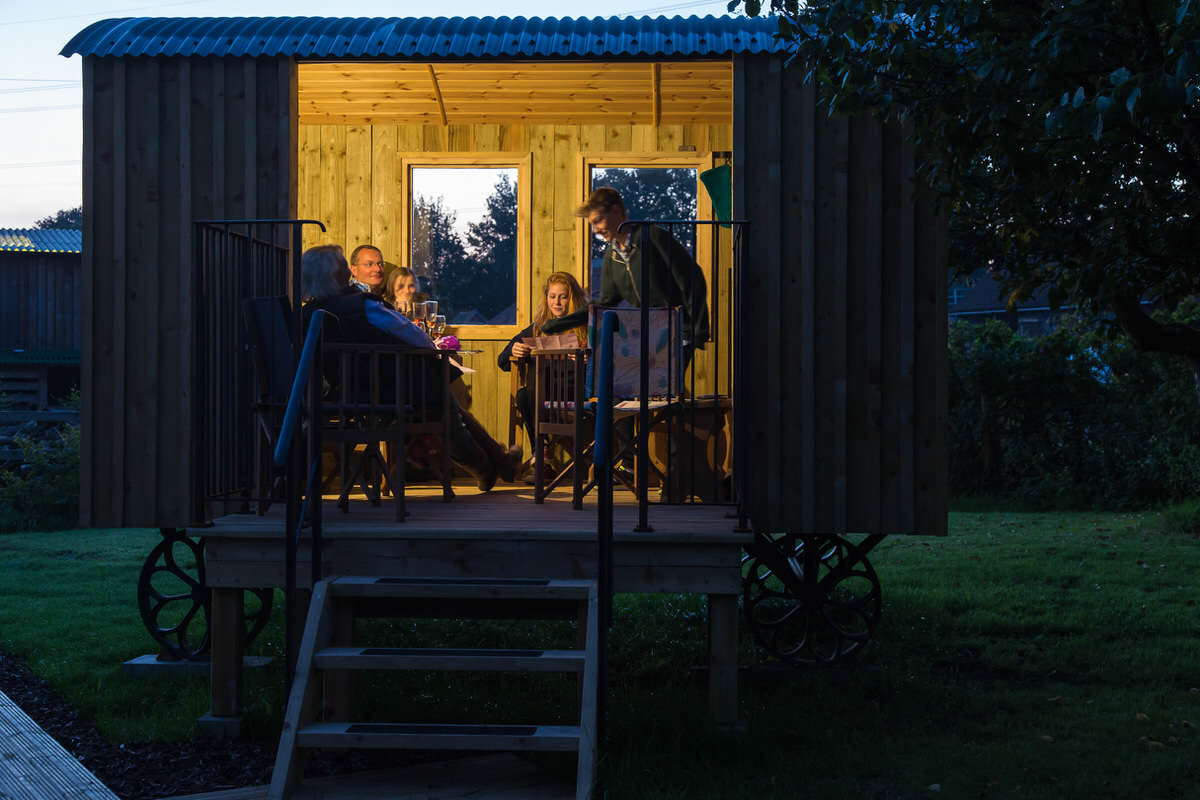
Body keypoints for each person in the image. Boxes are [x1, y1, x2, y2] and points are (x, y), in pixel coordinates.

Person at [301, 244, 521, 491]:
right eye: (345, 267)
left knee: (443, 399)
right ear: (339, 275)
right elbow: (417, 338)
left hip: (341, 395)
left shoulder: (307, 315)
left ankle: (497, 463)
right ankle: (486, 466)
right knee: (436, 391)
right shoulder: (362, 305)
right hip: (389, 391)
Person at [573, 186, 709, 367]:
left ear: (616, 211)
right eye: (592, 224)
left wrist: (696, 329)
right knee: (655, 390)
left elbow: (692, 278)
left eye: (598, 221)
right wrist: (561, 322)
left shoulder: (652, 236)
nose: (595, 230)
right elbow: (607, 300)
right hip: (649, 333)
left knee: (666, 389)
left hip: (677, 330)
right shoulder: (613, 254)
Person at [498, 271, 588, 458]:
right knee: (524, 395)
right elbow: (502, 361)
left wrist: (589, 358)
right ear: (546, 297)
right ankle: (542, 450)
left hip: (575, 391)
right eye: (552, 296)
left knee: (527, 394)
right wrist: (513, 350)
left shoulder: (586, 327)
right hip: (542, 392)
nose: (556, 303)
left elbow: (605, 359)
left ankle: (540, 454)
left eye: (563, 297)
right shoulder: (539, 327)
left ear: (572, 299)